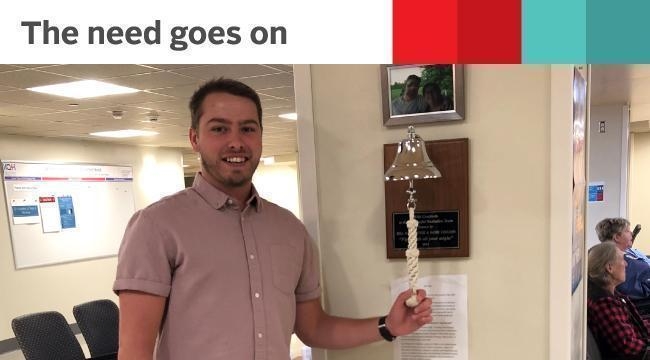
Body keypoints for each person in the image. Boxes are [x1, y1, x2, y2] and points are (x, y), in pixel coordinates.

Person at [113, 78, 433, 360]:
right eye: (219, 128)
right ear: (195, 138)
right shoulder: (156, 226)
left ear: (261, 136)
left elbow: (314, 328)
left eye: (248, 129)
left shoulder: (289, 230)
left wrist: (388, 326)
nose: (236, 141)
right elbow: (134, 352)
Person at [587, 241, 650, 359]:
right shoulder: (604, 302)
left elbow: (635, 325)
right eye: (622, 260)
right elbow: (629, 347)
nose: (626, 264)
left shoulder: (610, 293)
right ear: (609, 267)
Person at [596, 217, 650, 299]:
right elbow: (632, 291)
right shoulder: (617, 262)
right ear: (617, 237)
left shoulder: (627, 251)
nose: (631, 233)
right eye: (627, 231)